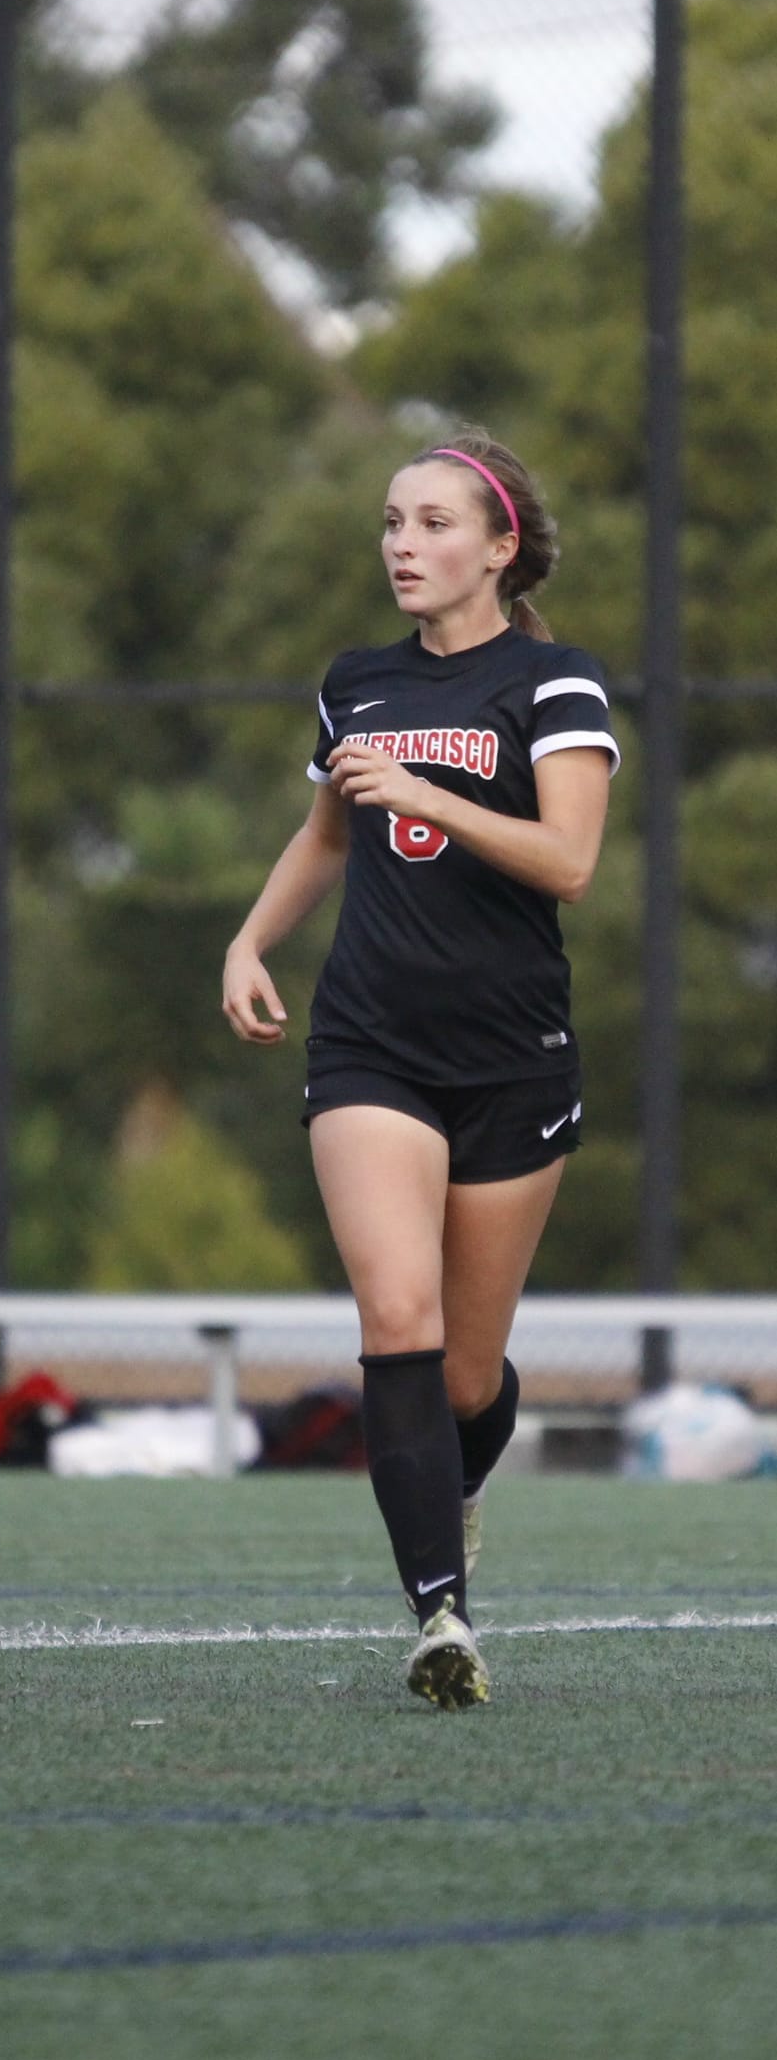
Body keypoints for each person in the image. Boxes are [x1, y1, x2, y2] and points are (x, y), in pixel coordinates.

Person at [221, 430, 618, 1709]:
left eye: (435, 523)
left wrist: (424, 792)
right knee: (393, 1318)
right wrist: (246, 940)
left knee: (460, 1375)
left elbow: (566, 864)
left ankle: (456, 1486)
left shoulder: (555, 685)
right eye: (392, 521)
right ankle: (438, 1618)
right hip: (369, 1044)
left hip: (511, 1058)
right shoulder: (355, 685)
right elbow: (323, 834)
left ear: (498, 547)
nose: (403, 543)